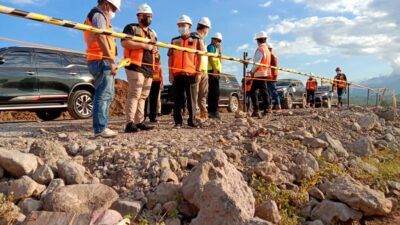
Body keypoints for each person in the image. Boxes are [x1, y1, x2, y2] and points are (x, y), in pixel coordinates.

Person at [84, 0, 120, 138]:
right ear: (106, 5)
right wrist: (110, 60)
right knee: (103, 94)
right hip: (100, 59)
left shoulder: (97, 16)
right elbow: (101, 37)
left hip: (99, 59)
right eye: (114, 9)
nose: (114, 12)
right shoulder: (98, 15)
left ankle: (102, 126)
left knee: (108, 94)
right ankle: (100, 128)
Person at [121, 3, 157, 133]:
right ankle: (129, 123)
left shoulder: (152, 33)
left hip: (148, 67)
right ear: (139, 16)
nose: (149, 19)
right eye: (147, 16)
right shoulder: (131, 28)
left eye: (150, 16)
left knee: (143, 96)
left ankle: (139, 121)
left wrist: (154, 50)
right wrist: (144, 45)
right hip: (135, 65)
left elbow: (155, 48)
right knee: (134, 94)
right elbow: (125, 42)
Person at [168, 15, 202, 128]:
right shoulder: (174, 40)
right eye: (179, 25)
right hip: (177, 74)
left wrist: (199, 72)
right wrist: (170, 73)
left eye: (183, 25)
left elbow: (200, 57)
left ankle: (192, 121)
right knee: (177, 99)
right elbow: (170, 57)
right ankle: (178, 122)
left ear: (190, 26)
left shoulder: (196, 40)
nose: (181, 27)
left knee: (192, 100)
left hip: (191, 74)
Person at [191, 17, 212, 120]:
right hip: (196, 71)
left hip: (204, 71)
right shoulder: (194, 37)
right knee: (194, 95)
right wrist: (198, 71)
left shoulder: (203, 41)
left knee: (203, 94)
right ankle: (194, 115)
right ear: (205, 28)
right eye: (208, 29)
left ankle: (203, 114)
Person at [249, 31, 271, 119]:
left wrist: (252, 71)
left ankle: (257, 110)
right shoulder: (267, 50)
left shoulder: (260, 49)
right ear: (265, 39)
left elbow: (257, 63)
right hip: (265, 73)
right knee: (263, 92)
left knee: (253, 92)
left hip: (259, 74)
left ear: (257, 40)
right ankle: (266, 109)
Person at [207, 32, 223, 119]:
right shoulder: (211, 47)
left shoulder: (216, 49)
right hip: (212, 71)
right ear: (214, 40)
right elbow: (210, 58)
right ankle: (212, 111)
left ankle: (213, 110)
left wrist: (220, 51)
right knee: (214, 92)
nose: (219, 43)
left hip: (216, 71)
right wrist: (214, 69)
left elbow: (220, 61)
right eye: (218, 41)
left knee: (215, 92)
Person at [148, 52, 163, 122]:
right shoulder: (149, 62)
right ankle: (144, 116)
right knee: (146, 99)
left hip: (156, 82)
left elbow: (160, 75)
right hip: (149, 80)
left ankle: (152, 117)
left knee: (154, 100)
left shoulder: (159, 66)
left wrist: (161, 83)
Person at [267, 43, 281, 112]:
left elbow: (275, 67)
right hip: (269, 77)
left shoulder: (272, 56)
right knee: (269, 92)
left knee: (273, 92)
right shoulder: (270, 56)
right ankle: (270, 107)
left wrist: (274, 77)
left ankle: (278, 106)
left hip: (271, 77)